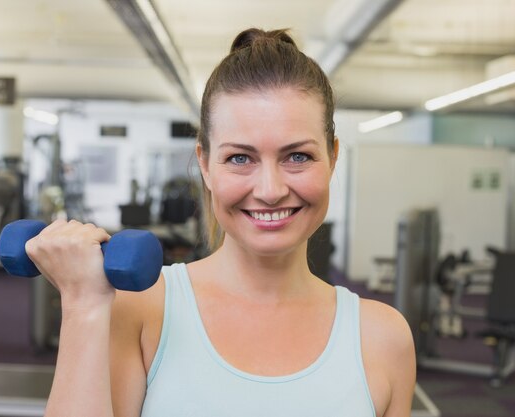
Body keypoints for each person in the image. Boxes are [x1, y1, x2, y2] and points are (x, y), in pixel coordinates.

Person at [26, 28, 416, 417]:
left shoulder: (383, 337)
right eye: (240, 158)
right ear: (205, 165)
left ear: (332, 158)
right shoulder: (142, 309)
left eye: (297, 156)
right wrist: (82, 306)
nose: (270, 190)